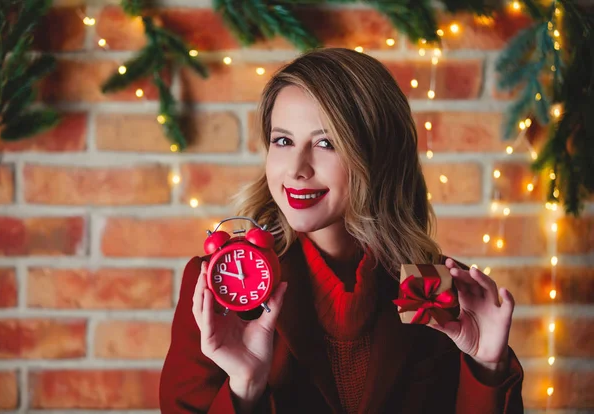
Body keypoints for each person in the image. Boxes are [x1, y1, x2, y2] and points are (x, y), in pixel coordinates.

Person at [159, 47, 524, 414]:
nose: (297, 169)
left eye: (326, 143)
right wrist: (245, 388)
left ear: (378, 155)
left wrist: (487, 367)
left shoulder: (431, 286)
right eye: (283, 141)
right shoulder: (224, 281)